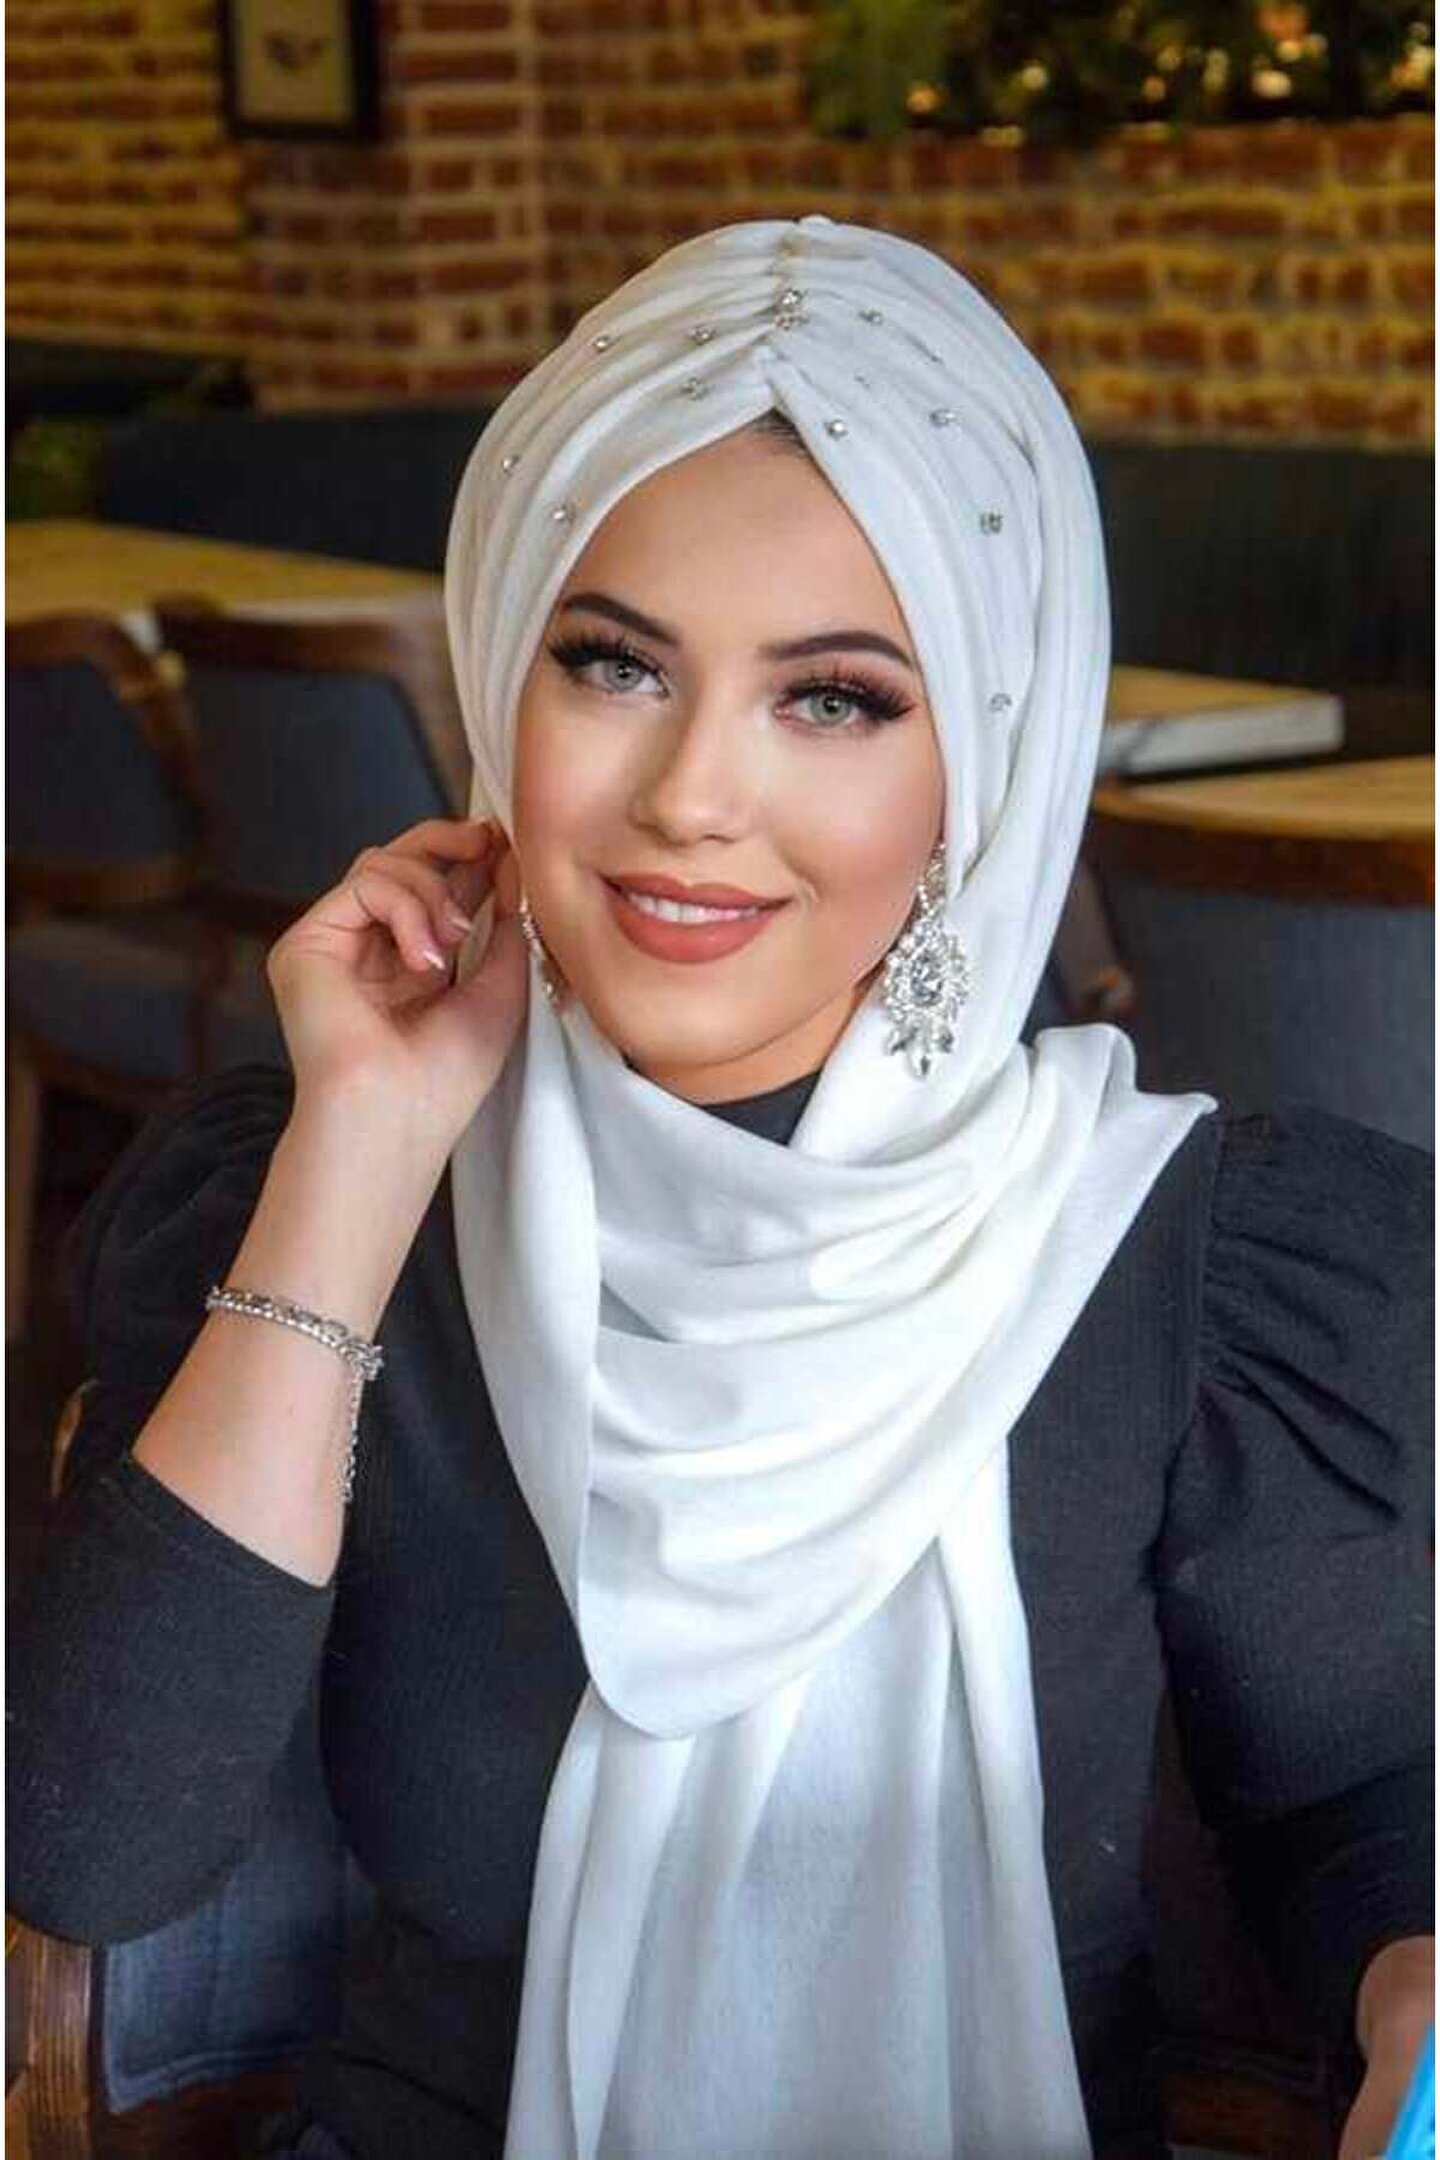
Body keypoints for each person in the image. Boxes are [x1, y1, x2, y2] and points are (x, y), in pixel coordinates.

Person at [7, 217, 1432, 2160]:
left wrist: (1414, 1983)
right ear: (500, 677)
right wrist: (363, 1148)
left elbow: (1367, 1799)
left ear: (982, 763)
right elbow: (91, 1849)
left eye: (833, 697)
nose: (689, 795)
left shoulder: (1174, 1258)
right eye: (612, 665)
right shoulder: (323, 1191)